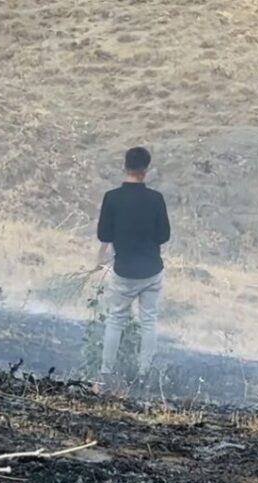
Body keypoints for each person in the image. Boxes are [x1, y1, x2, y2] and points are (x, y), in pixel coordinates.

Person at [95, 146, 171, 387]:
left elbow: (103, 233)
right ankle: (144, 374)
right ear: (146, 170)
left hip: (124, 271)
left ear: (125, 166)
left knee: (116, 320)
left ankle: (106, 372)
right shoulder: (156, 199)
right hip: (151, 270)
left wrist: (103, 256)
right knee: (149, 320)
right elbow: (164, 236)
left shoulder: (112, 198)